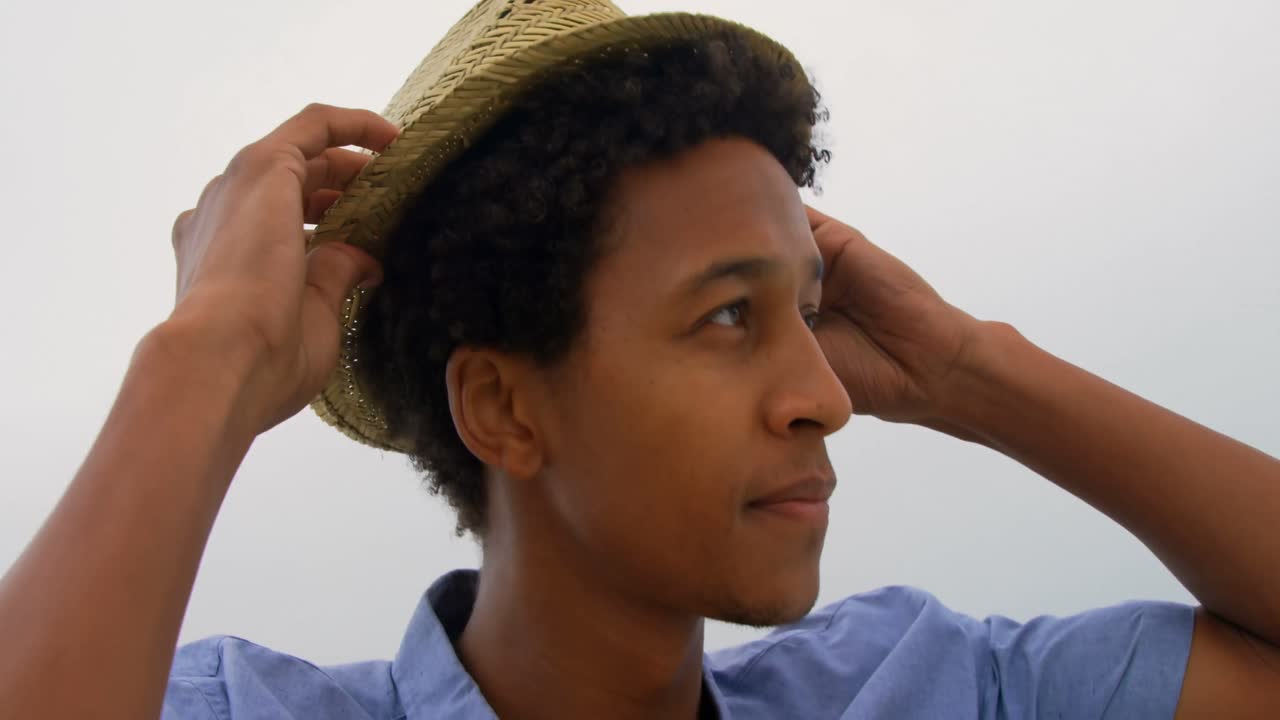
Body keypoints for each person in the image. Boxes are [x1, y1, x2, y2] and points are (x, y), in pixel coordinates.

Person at [2, 4, 1279, 720]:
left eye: (810, 311)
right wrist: (203, 360)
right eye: (727, 316)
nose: (823, 397)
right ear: (502, 407)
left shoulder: (914, 686)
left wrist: (967, 371)